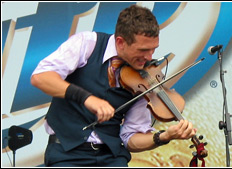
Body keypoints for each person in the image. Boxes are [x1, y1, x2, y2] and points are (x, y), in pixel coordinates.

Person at [31, 4, 197, 167]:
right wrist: (87, 98)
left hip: (111, 157)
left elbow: (131, 138)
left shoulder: (144, 80)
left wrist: (164, 136)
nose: (149, 57)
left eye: (153, 49)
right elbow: (41, 77)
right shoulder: (87, 43)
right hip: (66, 154)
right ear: (120, 42)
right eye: (143, 50)